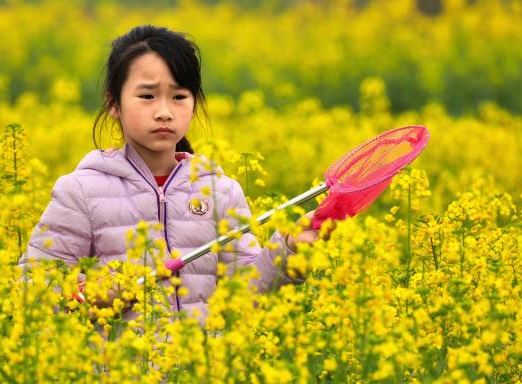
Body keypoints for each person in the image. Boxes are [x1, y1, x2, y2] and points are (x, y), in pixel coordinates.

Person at [19, 25, 322, 323]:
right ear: (114, 104)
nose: (164, 111)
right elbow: (30, 286)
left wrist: (289, 252)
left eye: (179, 97)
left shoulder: (220, 192)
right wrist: (90, 293)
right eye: (147, 96)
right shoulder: (82, 191)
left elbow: (246, 297)